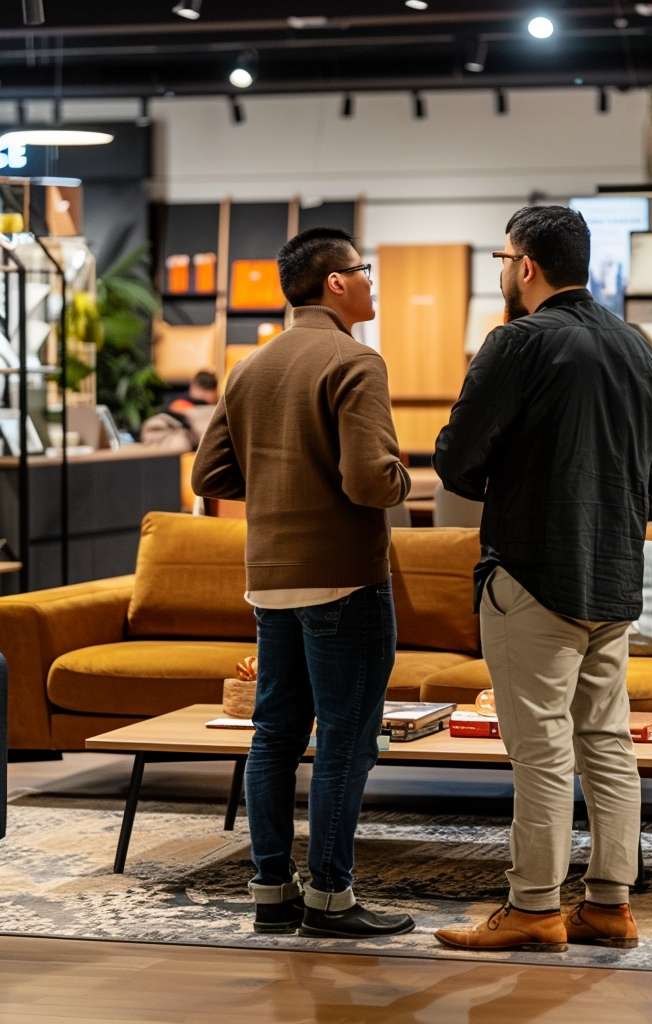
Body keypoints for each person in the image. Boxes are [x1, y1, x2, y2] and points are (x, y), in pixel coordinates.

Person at [432, 206, 652, 953]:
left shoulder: (516, 343)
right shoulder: (637, 348)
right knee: (605, 742)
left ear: (525, 266)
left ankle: (534, 908)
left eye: (502, 261)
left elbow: (454, 461)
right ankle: (608, 905)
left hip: (533, 573)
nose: (503, 274)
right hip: (614, 579)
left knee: (538, 750)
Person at [191, 227, 414, 940]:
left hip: (271, 581)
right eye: (365, 270)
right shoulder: (355, 360)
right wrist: (403, 473)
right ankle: (330, 898)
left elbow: (210, 476)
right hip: (344, 581)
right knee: (347, 742)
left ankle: (270, 892)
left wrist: (283, 484)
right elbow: (370, 480)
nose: (372, 281)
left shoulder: (251, 367)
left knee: (272, 737)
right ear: (337, 283)